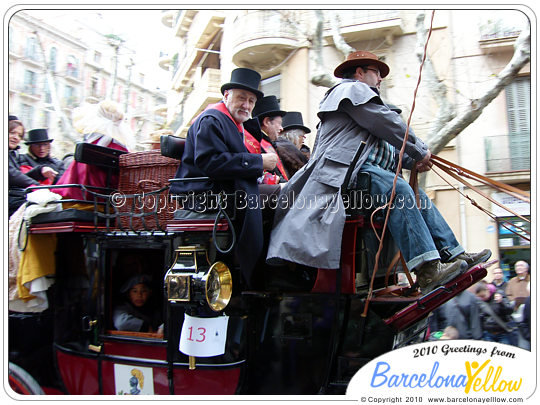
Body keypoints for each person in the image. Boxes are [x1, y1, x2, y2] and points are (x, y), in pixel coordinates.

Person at [267, 50, 491, 294]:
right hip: (342, 180)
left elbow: (388, 152)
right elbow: (386, 123)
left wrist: (413, 160)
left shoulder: (362, 110)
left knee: (417, 195)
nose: (381, 79)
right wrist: (419, 150)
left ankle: (452, 253)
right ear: (360, 72)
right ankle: (427, 270)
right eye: (376, 72)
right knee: (398, 188)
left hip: (363, 176)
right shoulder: (351, 89)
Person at [170, 68, 279, 288]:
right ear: (226, 95)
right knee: (286, 196)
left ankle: (269, 266)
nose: (246, 105)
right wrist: (258, 162)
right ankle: (256, 275)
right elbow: (211, 163)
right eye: (241, 98)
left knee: (286, 193)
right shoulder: (212, 119)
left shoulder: (234, 123)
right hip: (208, 193)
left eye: (251, 101)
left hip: (230, 190)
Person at [55, 100, 134, 201]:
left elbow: (73, 177)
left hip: (88, 195)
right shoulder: (123, 147)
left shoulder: (93, 145)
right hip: (115, 197)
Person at [8, 117, 59, 216]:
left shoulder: (57, 163)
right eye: (12, 133)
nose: (16, 137)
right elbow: (12, 174)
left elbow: (20, 177)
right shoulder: (20, 158)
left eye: (19, 135)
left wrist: (40, 172)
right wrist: (38, 187)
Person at [251, 95, 290, 182]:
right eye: (279, 123)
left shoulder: (268, 142)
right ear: (267, 122)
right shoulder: (254, 144)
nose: (281, 128)